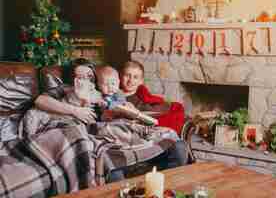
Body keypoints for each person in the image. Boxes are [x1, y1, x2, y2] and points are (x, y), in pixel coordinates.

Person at [34, 59, 188, 184]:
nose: (84, 80)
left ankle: (168, 189)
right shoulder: (68, 89)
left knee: (178, 144)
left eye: (88, 76)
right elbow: (40, 100)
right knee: (108, 163)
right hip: (103, 136)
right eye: (79, 76)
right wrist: (76, 110)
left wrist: (130, 112)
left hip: (127, 130)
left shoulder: (102, 92)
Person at [119, 60, 185, 135]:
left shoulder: (142, 98)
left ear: (141, 81)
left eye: (135, 77)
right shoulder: (112, 92)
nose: (130, 80)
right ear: (120, 76)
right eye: (127, 75)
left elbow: (154, 110)